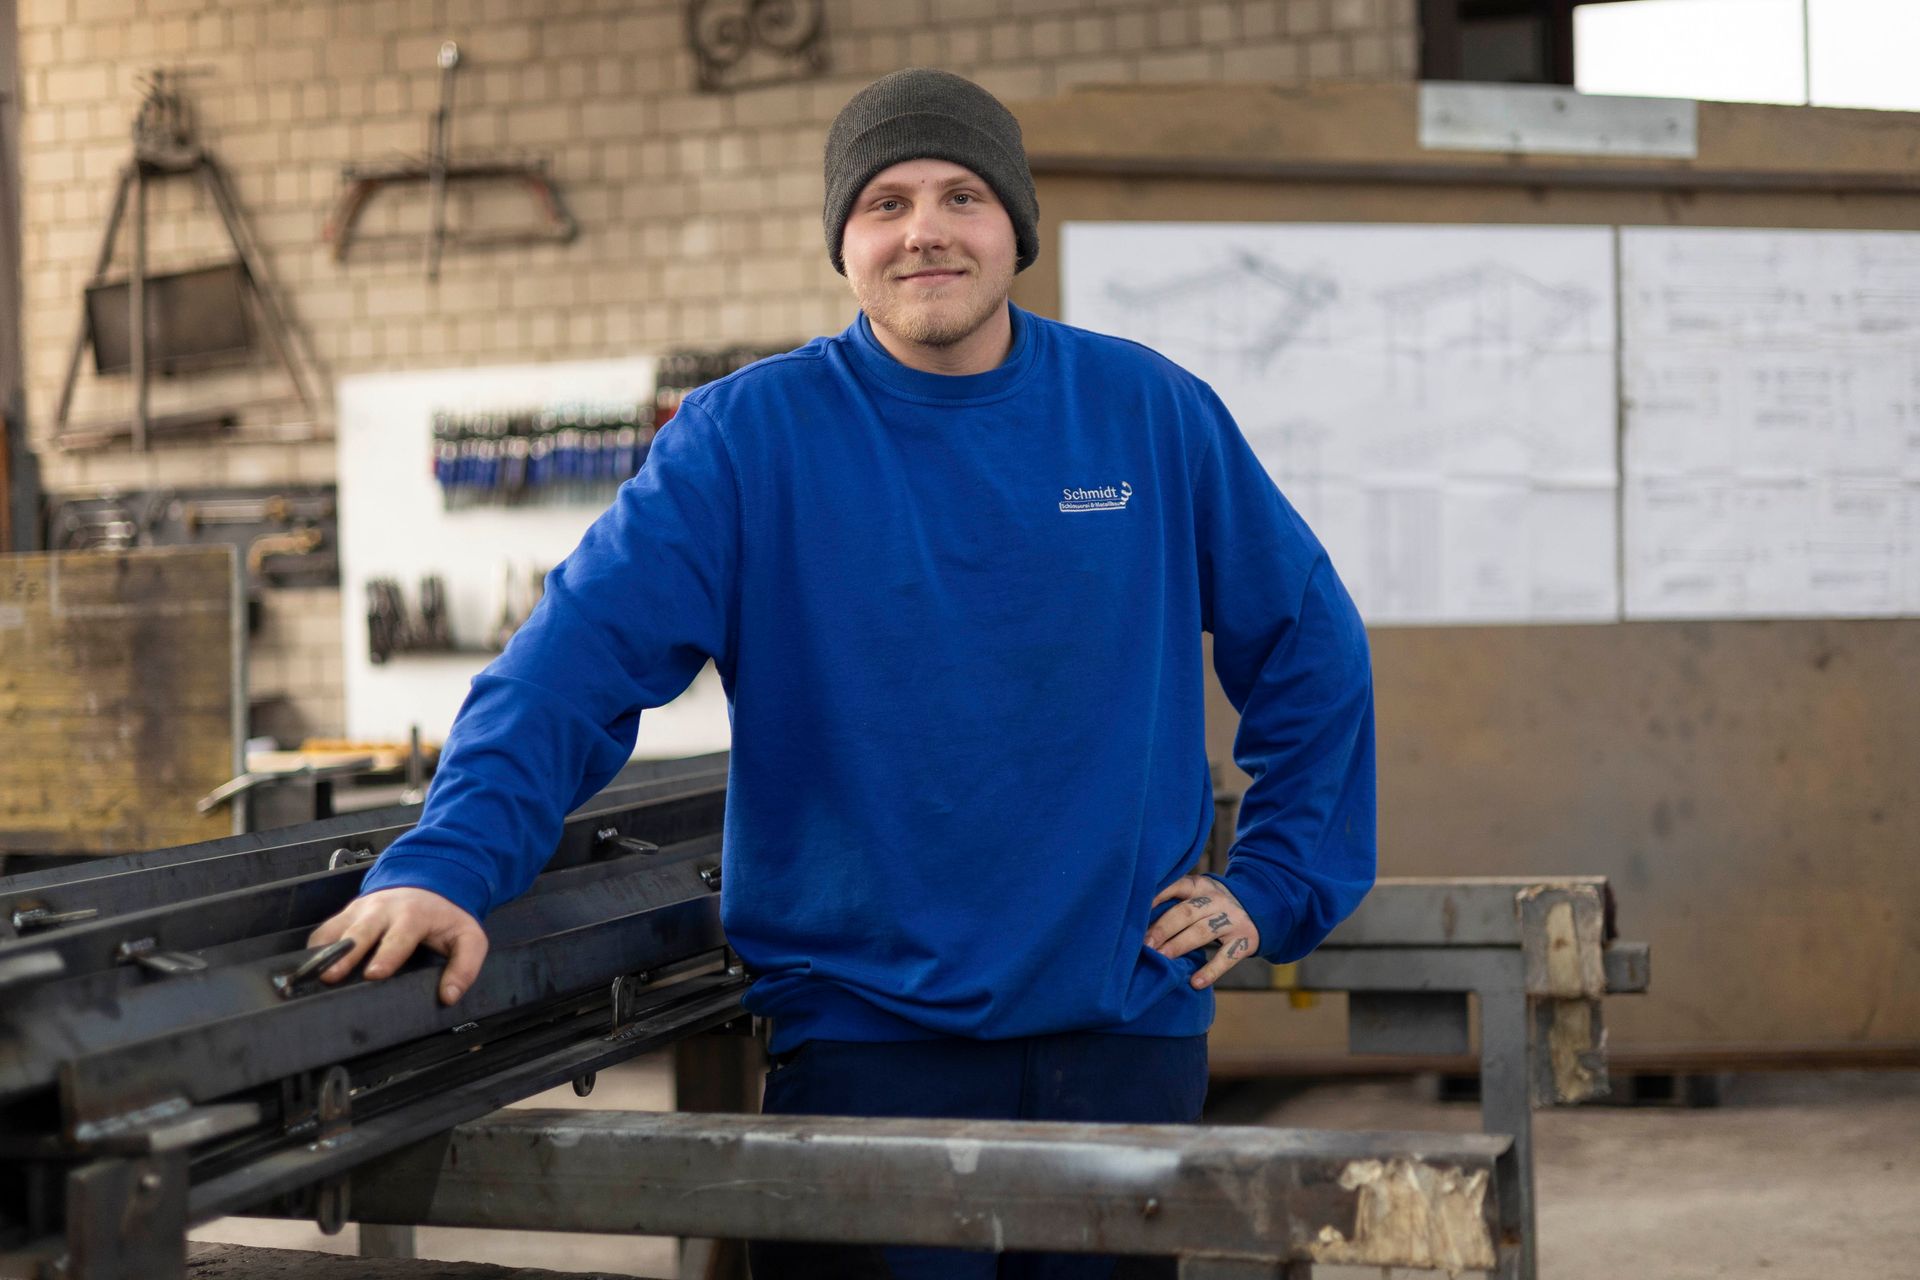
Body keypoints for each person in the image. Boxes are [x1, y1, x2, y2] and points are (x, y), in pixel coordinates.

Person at [309, 68, 1376, 1280]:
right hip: (866, 1043)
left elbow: (1312, 640)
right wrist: (448, 863)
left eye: (963, 195)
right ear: (845, 242)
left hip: (1123, 1036)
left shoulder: (1149, 413)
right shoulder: (745, 441)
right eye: (886, 202)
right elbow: (566, 667)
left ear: (1015, 227)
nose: (925, 229)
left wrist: (1277, 880)